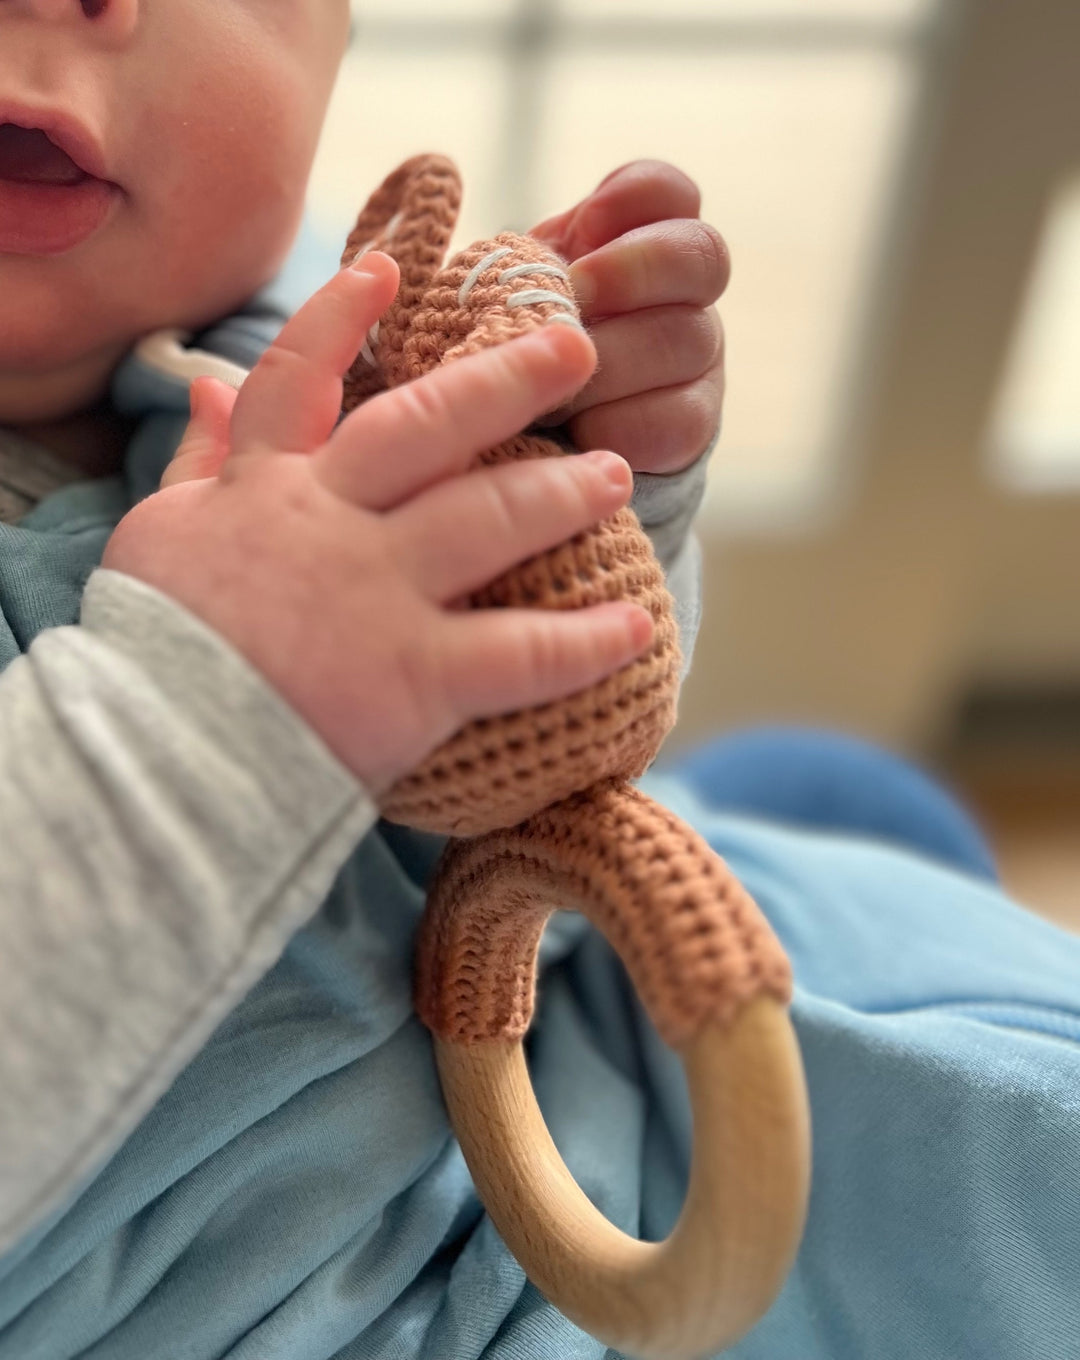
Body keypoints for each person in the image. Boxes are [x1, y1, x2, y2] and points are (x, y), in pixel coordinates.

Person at [0, 3, 1076, 1358]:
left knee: (992, 1088)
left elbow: (537, 752)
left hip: (549, 1031)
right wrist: (205, 717)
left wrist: (601, 499)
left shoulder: (301, 328)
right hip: (308, 1302)